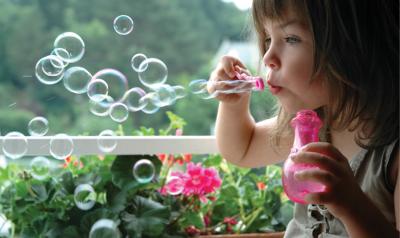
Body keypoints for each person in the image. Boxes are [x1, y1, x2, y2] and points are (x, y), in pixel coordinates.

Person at [208, 0, 399, 237]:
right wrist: (234, 106)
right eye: (268, 39)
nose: (268, 57)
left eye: (291, 39)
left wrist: (352, 206)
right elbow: (242, 149)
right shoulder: (309, 125)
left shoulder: (392, 151)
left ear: (353, 45)